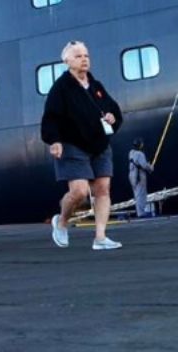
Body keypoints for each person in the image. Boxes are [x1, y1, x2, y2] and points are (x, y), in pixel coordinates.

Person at [39, 41, 122, 251]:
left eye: (86, 55)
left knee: (103, 189)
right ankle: (62, 221)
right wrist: (54, 140)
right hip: (72, 144)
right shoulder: (61, 88)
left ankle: (100, 237)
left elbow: (113, 109)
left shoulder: (96, 86)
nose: (84, 59)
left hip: (100, 144)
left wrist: (113, 117)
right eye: (78, 56)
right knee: (79, 192)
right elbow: (50, 117)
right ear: (66, 61)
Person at [128, 138, 153, 218]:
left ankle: (140, 211)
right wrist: (150, 167)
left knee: (137, 194)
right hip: (139, 176)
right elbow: (144, 165)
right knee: (141, 194)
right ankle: (141, 213)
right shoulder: (140, 154)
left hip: (132, 175)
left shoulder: (131, 153)